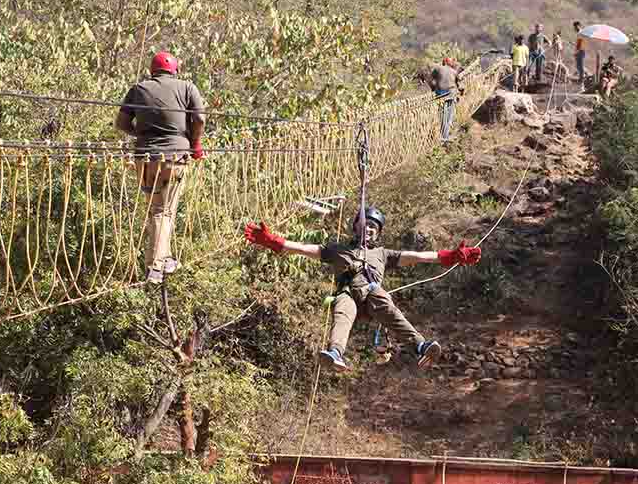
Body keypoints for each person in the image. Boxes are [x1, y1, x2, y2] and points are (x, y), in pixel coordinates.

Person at [243, 207, 482, 372]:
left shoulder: (383, 254)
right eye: (364, 226)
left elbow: (418, 256)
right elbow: (305, 248)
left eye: (373, 228)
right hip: (349, 295)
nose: (368, 230)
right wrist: (274, 242)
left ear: (378, 232)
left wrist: (451, 256)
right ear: (355, 228)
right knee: (342, 310)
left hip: (372, 297)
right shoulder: (337, 250)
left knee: (385, 304)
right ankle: (336, 352)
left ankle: (420, 345)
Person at [116, 52, 206, 284]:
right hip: (175, 158)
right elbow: (199, 119)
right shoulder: (187, 87)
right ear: (175, 70)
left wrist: (144, 135)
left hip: (145, 159)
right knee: (162, 211)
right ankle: (155, 266)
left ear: (152, 71)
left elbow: (122, 123)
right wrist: (195, 144)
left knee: (157, 210)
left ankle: (163, 258)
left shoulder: (138, 89)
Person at [428, 57, 461, 145]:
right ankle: (445, 136)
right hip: (451, 94)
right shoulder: (454, 71)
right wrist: (461, 92)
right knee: (450, 115)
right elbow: (459, 84)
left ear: (443, 63)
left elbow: (431, 79)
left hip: (440, 94)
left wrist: (433, 88)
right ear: (450, 63)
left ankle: (444, 137)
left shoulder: (437, 69)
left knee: (442, 116)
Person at [573, 21, 586, 89]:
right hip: (579, 51)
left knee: (580, 67)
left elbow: (580, 44)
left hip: (581, 51)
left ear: (579, 26)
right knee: (578, 66)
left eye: (576, 26)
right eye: (574, 27)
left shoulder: (581, 33)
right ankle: (580, 79)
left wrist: (576, 52)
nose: (575, 28)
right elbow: (578, 43)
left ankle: (581, 81)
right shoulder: (578, 33)